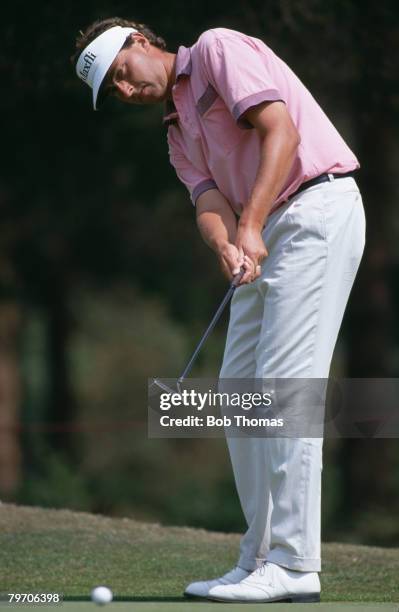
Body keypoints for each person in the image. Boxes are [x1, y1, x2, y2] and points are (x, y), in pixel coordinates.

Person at [71, 18, 365, 603]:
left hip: (313, 210)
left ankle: (294, 563)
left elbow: (278, 130)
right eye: (113, 93)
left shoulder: (215, 50)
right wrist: (228, 245)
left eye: (120, 76)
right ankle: (259, 556)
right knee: (237, 391)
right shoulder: (176, 129)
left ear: (137, 42)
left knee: (283, 389)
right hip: (264, 232)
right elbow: (207, 200)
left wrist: (251, 224)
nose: (124, 92)